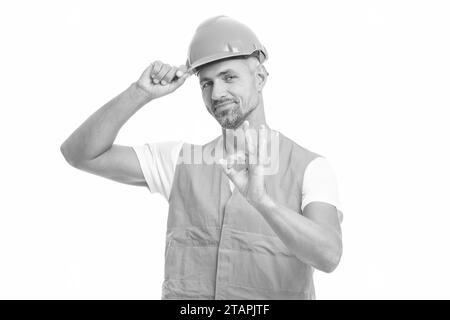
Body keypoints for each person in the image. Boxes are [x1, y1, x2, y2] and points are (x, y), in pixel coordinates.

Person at [60, 16, 343, 300]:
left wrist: (263, 203)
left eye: (229, 77)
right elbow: (80, 154)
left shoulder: (310, 168)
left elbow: (328, 256)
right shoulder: (179, 161)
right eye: (206, 84)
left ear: (259, 78)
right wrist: (140, 93)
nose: (217, 93)